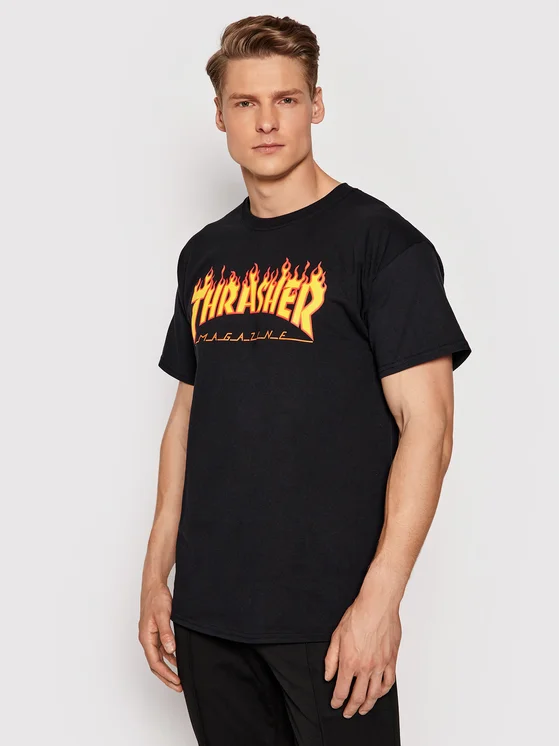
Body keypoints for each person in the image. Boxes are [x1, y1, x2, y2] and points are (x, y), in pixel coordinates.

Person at [139, 13, 472, 746]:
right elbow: (186, 420)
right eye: (246, 102)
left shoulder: (384, 246)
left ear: (316, 104)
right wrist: (156, 575)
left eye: (286, 99)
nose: (266, 122)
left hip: (332, 620)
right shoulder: (204, 255)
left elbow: (430, 429)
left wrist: (380, 602)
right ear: (220, 115)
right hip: (208, 616)